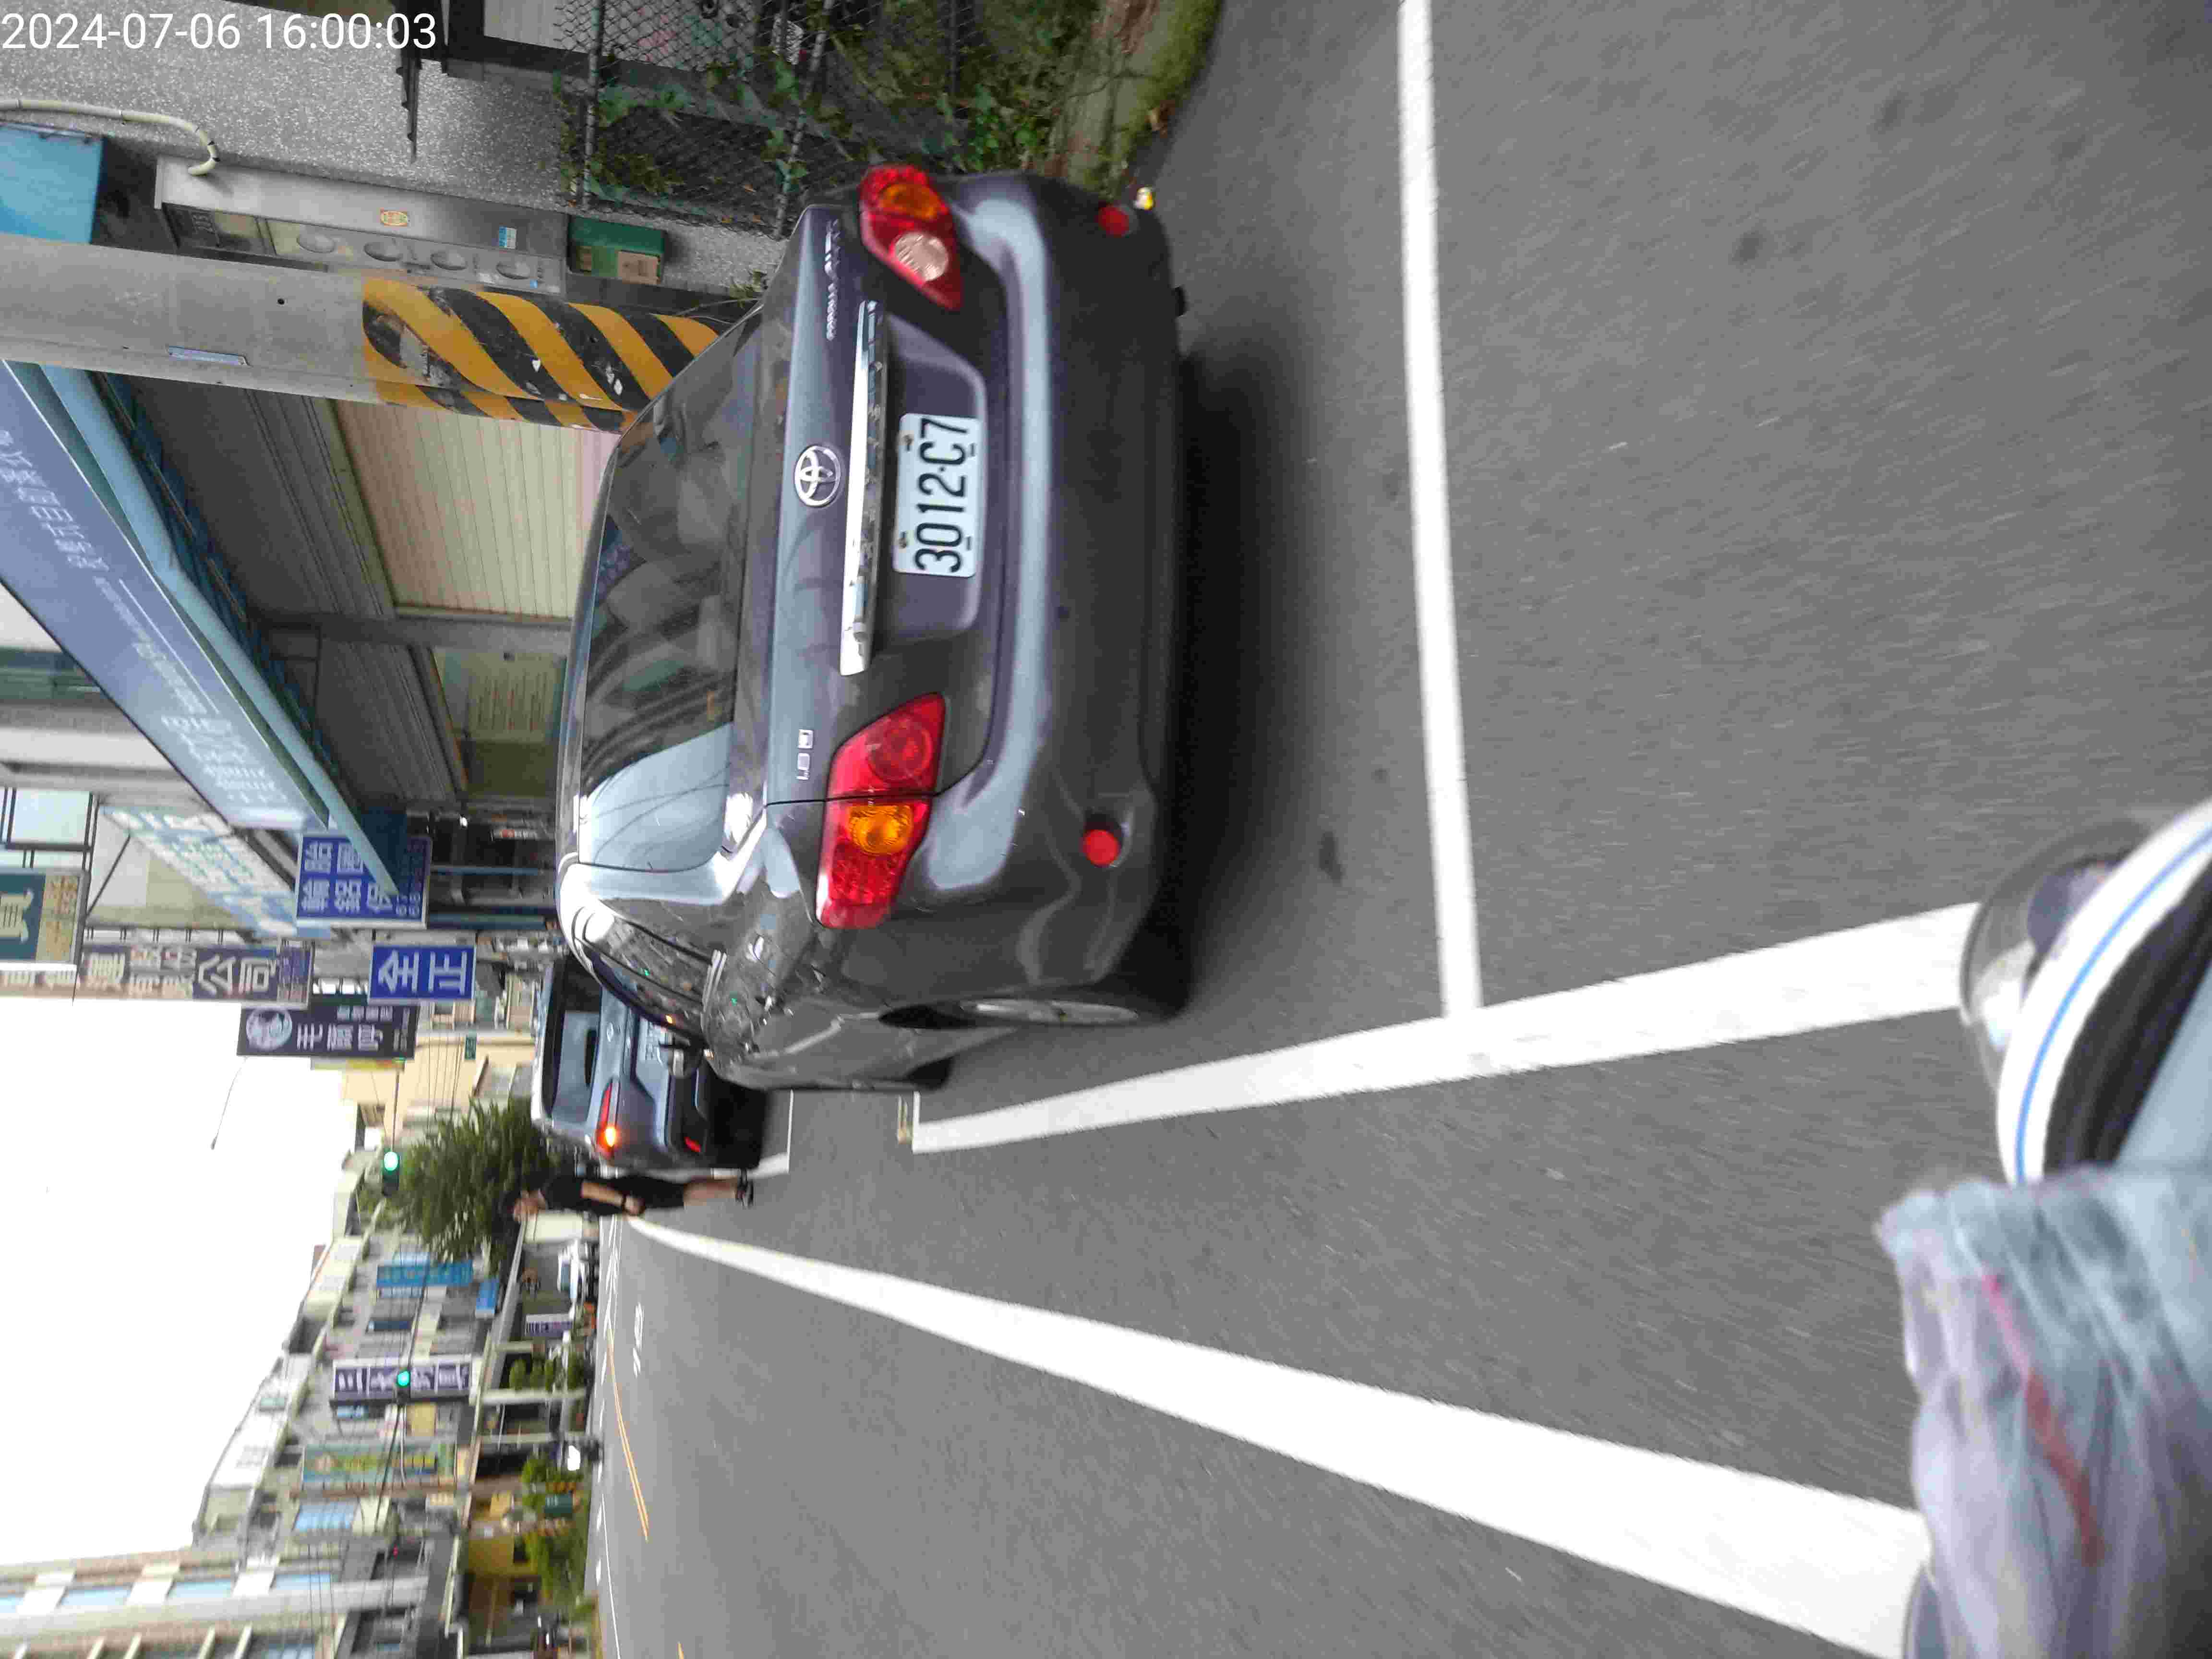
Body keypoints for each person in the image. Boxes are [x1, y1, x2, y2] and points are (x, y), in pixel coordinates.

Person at [511, 1166, 752, 1223]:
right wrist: (623, 1210)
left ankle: (735, 1191)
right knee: (681, 1192)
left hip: (628, 1193)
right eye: (520, 1217)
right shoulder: (550, 1201)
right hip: (624, 1196)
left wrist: (625, 1201)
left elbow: (589, 1189)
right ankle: (733, 1183)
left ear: (524, 1195)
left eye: (520, 1209)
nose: (524, 1215)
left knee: (682, 1195)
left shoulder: (552, 1192)